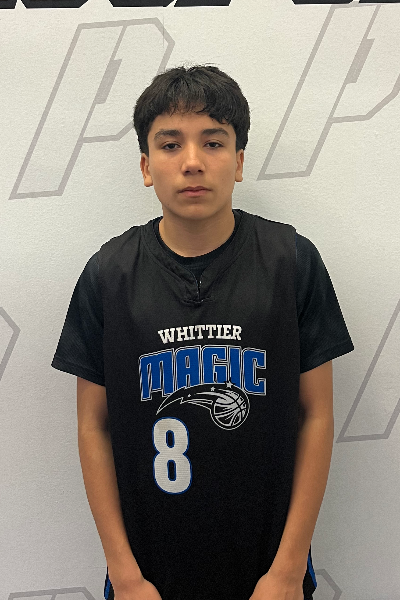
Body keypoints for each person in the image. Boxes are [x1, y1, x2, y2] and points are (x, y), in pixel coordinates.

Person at [51, 65, 354, 600]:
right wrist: (124, 574)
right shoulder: (109, 274)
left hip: (268, 570)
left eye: (213, 142)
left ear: (238, 161)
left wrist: (287, 570)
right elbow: (92, 425)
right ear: (146, 166)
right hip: (147, 575)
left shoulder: (290, 261)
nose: (192, 161)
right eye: (170, 145)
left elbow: (318, 414)